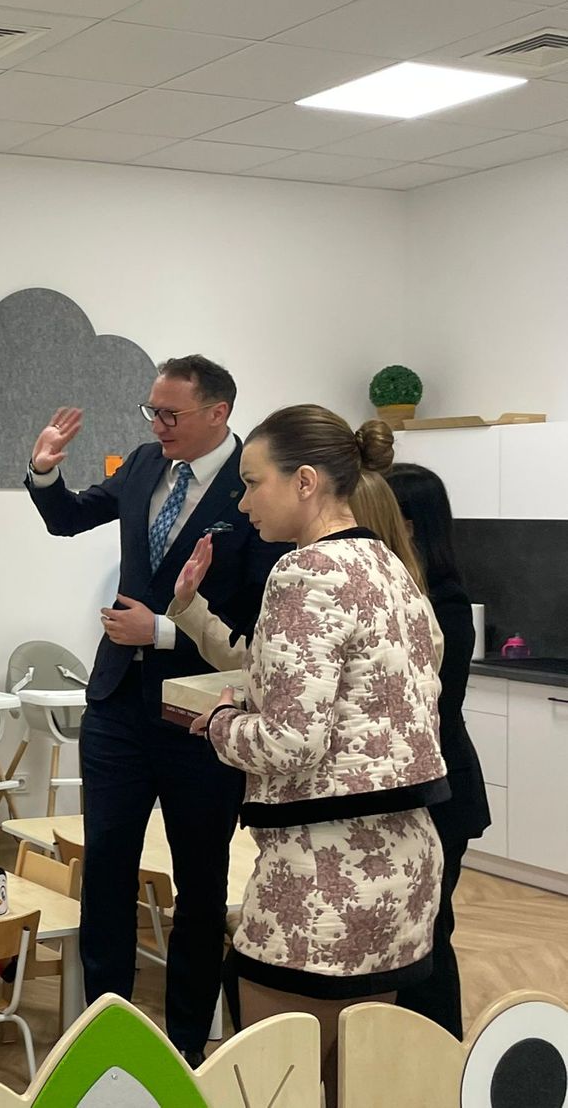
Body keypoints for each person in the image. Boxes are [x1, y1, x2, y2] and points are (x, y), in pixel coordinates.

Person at [25, 356, 285, 1063]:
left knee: (200, 882)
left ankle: (187, 1044)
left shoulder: (254, 488)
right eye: (152, 411)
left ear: (218, 413)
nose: (157, 425)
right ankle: (103, 1031)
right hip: (117, 703)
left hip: (202, 715)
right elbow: (69, 519)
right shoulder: (144, 464)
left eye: (171, 413)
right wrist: (45, 473)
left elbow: (259, 625)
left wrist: (165, 631)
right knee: (107, 865)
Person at [189, 408, 446, 1102]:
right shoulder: (393, 569)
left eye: (252, 483)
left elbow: (289, 742)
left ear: (304, 482)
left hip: (324, 870)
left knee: (275, 1085)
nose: (243, 503)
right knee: (354, 1084)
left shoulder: (302, 572)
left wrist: (220, 724)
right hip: (403, 866)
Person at [388, 462, 491, 1039]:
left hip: (442, 796)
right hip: (424, 793)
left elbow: (429, 712)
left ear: (406, 524)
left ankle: (440, 1058)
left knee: (428, 933)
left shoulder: (443, 603)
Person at [168, 469, 428, 671]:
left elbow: (297, 711)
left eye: (254, 483)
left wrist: (225, 717)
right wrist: (189, 603)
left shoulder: (308, 575)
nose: (245, 504)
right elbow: (256, 660)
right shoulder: (401, 587)